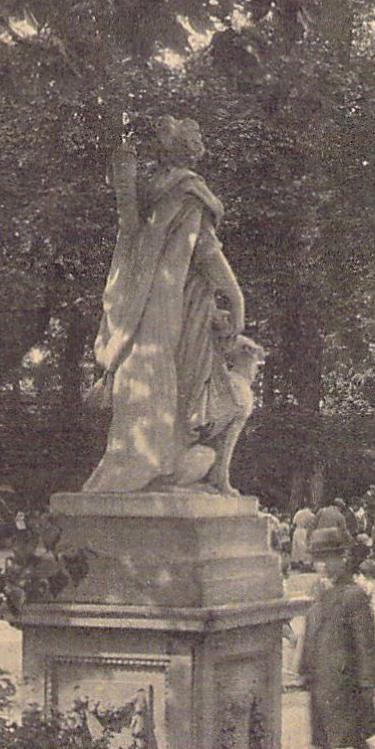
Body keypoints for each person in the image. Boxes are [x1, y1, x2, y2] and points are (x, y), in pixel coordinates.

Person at [83, 117, 247, 493]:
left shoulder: (164, 189)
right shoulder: (187, 191)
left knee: (146, 380)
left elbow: (138, 234)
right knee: (152, 379)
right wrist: (236, 298)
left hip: (140, 301)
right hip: (158, 304)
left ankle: (147, 468)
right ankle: (141, 470)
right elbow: (206, 253)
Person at [292, 527, 375, 749]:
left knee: (329, 741)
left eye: (328, 558)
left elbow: (366, 643)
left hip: (344, 682)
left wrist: (368, 682)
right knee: (341, 739)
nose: (321, 565)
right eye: (317, 559)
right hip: (321, 679)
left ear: (343, 558)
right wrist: (304, 669)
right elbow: (310, 634)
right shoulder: (319, 592)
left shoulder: (354, 595)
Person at [290, 504, 317, 572]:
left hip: (296, 530)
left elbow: (294, 523)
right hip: (304, 531)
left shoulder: (298, 513)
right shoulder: (311, 515)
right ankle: (306, 564)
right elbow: (312, 525)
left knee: (296, 548)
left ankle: (295, 563)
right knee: (304, 547)